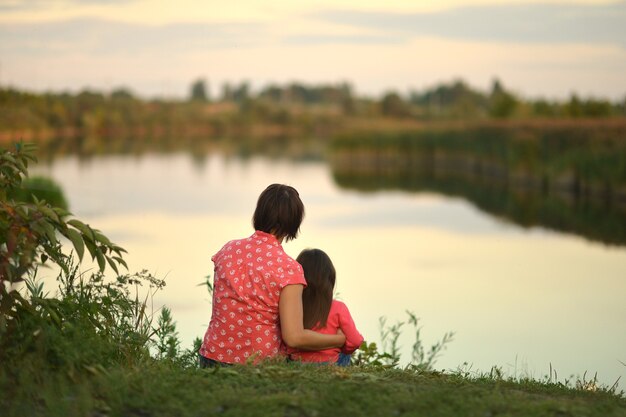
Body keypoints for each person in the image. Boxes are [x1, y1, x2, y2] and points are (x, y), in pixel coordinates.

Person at [198, 184, 345, 366]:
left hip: (211, 358)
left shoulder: (227, 250)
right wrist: (338, 340)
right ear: (294, 222)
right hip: (258, 365)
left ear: (259, 213)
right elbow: (294, 337)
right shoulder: (289, 269)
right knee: (339, 358)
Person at [287, 248, 363, 366]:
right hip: (329, 363)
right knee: (345, 354)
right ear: (329, 280)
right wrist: (342, 345)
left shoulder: (291, 306)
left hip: (296, 362)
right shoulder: (338, 307)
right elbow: (355, 341)